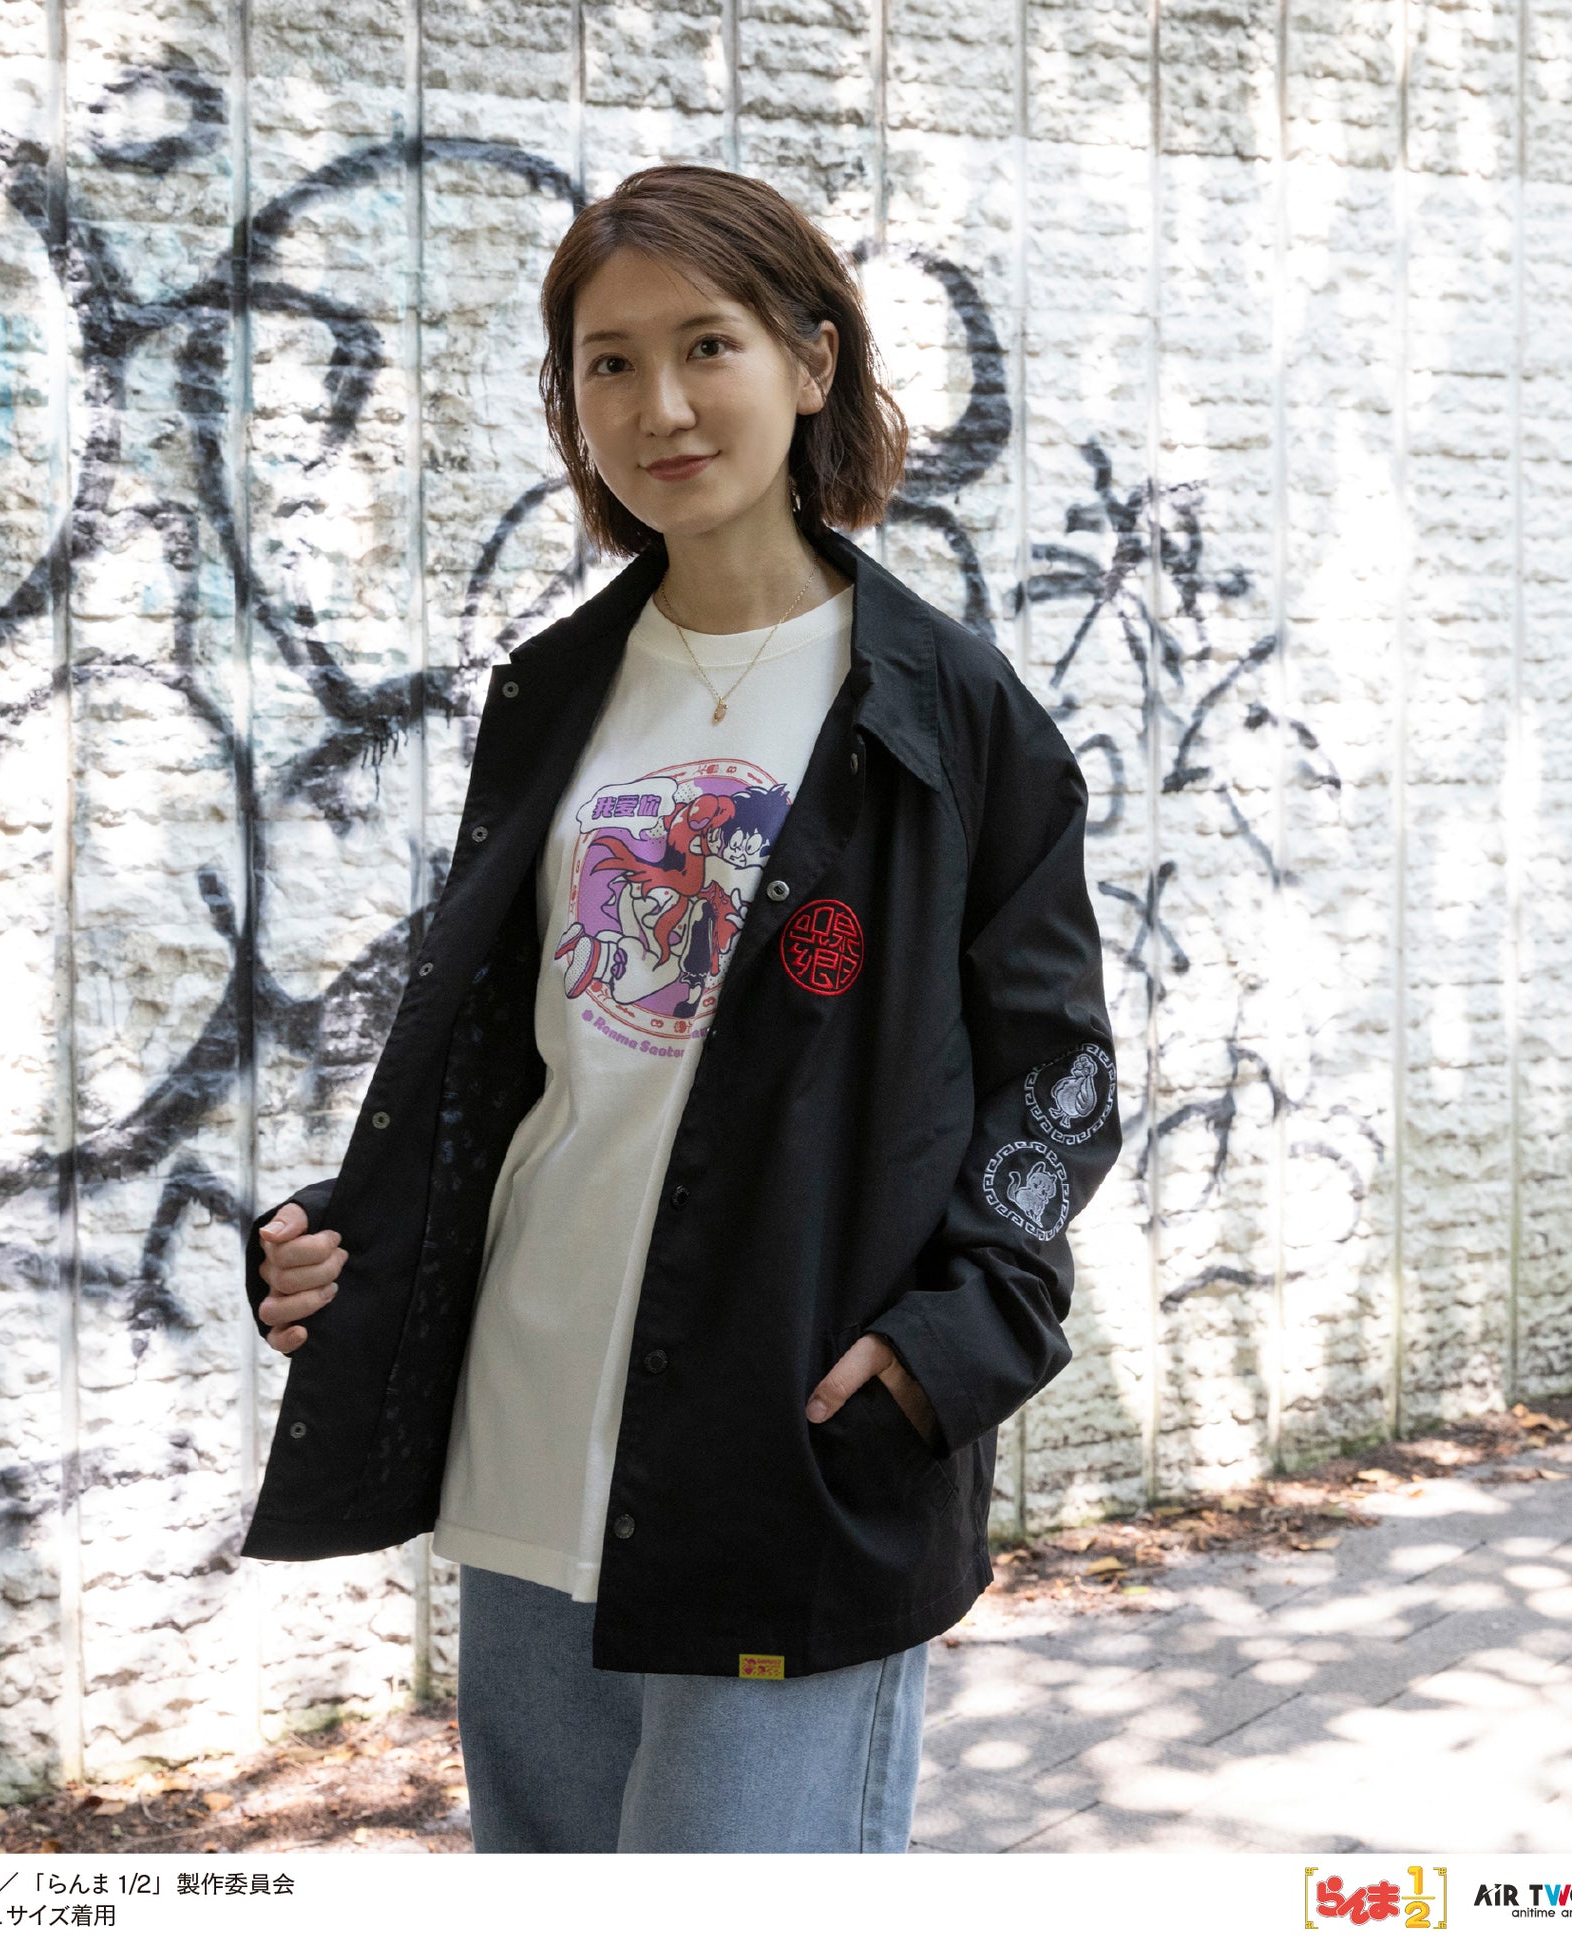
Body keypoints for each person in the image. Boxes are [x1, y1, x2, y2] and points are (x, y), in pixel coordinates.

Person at [240, 164, 1121, 1853]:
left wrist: (950, 1346)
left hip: (782, 1447)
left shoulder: (945, 708)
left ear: (810, 358)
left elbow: (1057, 1074)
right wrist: (345, 1238)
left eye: (705, 344)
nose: (658, 405)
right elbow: (528, 1057)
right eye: (608, 362)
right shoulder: (555, 689)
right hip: (524, 1421)